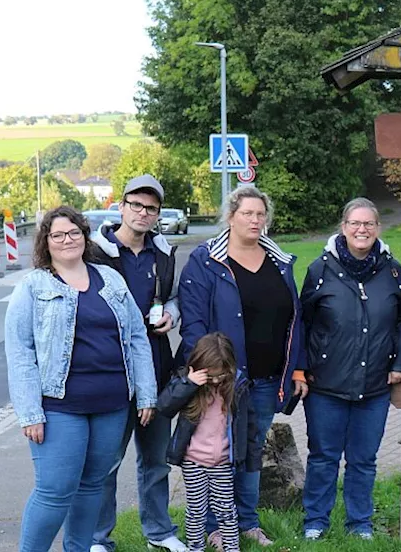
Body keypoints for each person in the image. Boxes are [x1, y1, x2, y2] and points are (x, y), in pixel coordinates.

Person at [4, 206, 157, 552]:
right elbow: (20, 352)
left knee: (92, 485)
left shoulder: (110, 278)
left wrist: (146, 393)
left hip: (112, 404)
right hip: (60, 407)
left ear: (84, 236)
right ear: (46, 242)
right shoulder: (33, 286)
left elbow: (136, 336)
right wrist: (30, 413)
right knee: (55, 490)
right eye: (57, 235)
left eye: (74, 233)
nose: (67, 240)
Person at [179, 185, 307, 549]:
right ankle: (214, 528)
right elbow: (193, 324)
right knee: (218, 453)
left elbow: (295, 320)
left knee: (250, 452)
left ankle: (246, 522)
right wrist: (207, 374)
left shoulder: (279, 262)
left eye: (260, 214)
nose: (255, 220)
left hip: (266, 380)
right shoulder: (206, 261)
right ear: (231, 216)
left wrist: (296, 368)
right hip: (222, 380)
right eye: (247, 213)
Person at [299, 198, 401, 540]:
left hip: (374, 385)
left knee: (363, 460)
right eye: (355, 224)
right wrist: (303, 369)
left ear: (378, 228)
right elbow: (304, 324)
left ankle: (359, 523)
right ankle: (316, 521)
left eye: (368, 224)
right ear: (343, 227)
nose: (361, 230)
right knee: (323, 457)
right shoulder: (320, 270)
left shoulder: (392, 271)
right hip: (326, 385)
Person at [90, 175, 185, 552]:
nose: (143, 213)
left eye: (151, 208)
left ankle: (159, 533)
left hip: (158, 367)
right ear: (121, 207)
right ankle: (98, 539)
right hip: (111, 372)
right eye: (137, 205)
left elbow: (174, 297)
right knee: (107, 462)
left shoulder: (163, 253)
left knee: (156, 460)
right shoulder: (94, 252)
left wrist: (172, 316)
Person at [157, 333, 258, 552]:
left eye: (220, 376)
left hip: (222, 462)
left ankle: (232, 548)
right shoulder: (188, 384)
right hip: (193, 461)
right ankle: (195, 548)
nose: (214, 382)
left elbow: (249, 426)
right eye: (209, 376)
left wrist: (251, 457)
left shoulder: (237, 387)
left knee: (226, 510)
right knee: (196, 510)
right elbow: (164, 407)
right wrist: (189, 384)